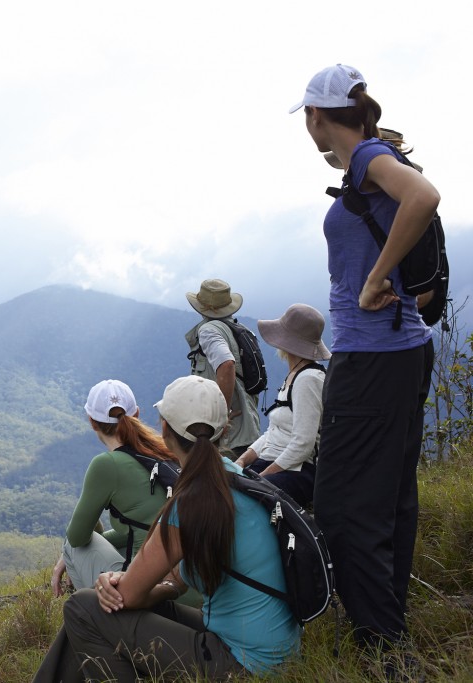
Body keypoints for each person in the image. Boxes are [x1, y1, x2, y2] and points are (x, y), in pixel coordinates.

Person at [290, 65, 437, 660]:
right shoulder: (375, 159)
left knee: (345, 507)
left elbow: (424, 200)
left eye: (307, 117)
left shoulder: (369, 158)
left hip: (372, 358)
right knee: (391, 498)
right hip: (404, 351)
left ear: (317, 116)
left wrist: (375, 280)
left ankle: (382, 647)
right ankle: (384, 627)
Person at [35, 376, 300, 681]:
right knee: (91, 611)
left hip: (241, 665)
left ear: (164, 428)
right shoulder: (237, 479)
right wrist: (149, 586)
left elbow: (130, 597)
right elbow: (174, 580)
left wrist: (117, 583)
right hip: (270, 653)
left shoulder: (189, 501)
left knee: (83, 607)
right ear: (224, 430)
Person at [50, 379, 198, 607]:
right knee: (113, 542)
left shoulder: (106, 465)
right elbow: (139, 527)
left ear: (92, 422)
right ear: (136, 414)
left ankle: (105, 622)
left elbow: (78, 537)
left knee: (71, 546)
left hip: (149, 592)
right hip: (188, 584)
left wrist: (69, 556)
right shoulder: (165, 451)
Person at [235, 303, 331, 507]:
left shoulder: (308, 379)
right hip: (276, 463)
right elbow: (273, 432)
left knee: (240, 499)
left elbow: (303, 444)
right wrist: (242, 461)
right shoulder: (295, 375)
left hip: (298, 471)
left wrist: (261, 477)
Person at [184, 278, 261, 457]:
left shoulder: (209, 331)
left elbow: (226, 365)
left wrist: (221, 414)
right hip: (247, 432)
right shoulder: (240, 329)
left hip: (227, 439)